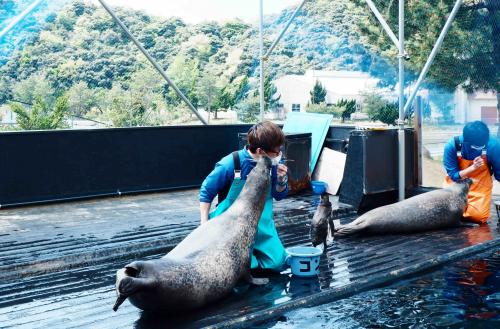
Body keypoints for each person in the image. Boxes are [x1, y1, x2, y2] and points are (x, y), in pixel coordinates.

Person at [199, 121, 289, 272]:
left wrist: (281, 181)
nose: (279, 155)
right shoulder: (231, 163)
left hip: (261, 224)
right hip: (231, 224)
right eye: (276, 152)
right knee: (245, 265)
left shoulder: (273, 164)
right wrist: (204, 224)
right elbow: (206, 192)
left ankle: (250, 256)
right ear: (260, 151)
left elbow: (278, 195)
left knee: (278, 262)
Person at [443, 121, 500, 223]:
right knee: (448, 213)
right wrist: (472, 168)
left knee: (477, 217)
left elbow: (499, 174)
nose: (480, 148)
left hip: (480, 184)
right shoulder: (451, 146)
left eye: (483, 146)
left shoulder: (493, 145)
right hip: (456, 184)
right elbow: (453, 175)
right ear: (466, 141)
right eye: (477, 147)